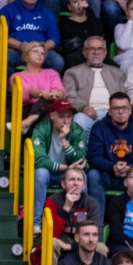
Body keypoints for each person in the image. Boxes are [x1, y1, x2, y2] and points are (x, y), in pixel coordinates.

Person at [87, 92, 133, 208]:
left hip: (132, 174)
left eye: (124, 108)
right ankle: (97, 219)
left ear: (130, 110)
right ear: (109, 111)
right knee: (93, 175)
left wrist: (130, 168)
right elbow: (94, 157)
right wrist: (113, 167)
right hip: (108, 174)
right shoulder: (99, 127)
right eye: (116, 108)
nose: (120, 112)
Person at [32, 100, 87, 234]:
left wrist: (64, 141)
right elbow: (39, 160)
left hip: (67, 174)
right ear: (52, 116)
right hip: (49, 173)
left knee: (82, 176)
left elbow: (79, 159)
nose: (66, 121)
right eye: (62, 117)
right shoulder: (41, 129)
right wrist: (66, 168)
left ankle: (81, 224)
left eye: (69, 117)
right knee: (40, 173)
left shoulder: (76, 130)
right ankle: (36, 224)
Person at [0, 0, 64, 74]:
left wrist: (44, 46)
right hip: (16, 51)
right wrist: (20, 45)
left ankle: (41, 83)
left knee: (57, 61)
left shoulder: (46, 13)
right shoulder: (8, 10)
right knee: (5, 57)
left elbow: (54, 37)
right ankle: (11, 84)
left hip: (40, 52)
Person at [63, 36, 126, 135]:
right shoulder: (72, 73)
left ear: (105, 53)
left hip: (114, 112)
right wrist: (84, 107)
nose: (96, 52)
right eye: (92, 49)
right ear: (84, 52)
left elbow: (124, 96)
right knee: (79, 120)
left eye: (100, 49)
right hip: (87, 113)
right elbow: (70, 96)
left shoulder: (117, 73)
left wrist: (117, 109)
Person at [43, 167, 106, 260]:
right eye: (71, 179)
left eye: (79, 180)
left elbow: (97, 232)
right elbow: (51, 233)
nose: (76, 183)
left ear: (83, 185)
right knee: (51, 243)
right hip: (61, 240)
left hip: (84, 240)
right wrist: (66, 207)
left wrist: (72, 246)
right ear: (63, 184)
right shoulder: (52, 200)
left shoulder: (91, 203)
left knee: (101, 247)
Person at [13, 42, 66, 133]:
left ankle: (29, 121)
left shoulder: (51, 73)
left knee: (51, 112)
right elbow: (26, 91)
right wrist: (42, 93)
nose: (40, 54)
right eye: (35, 51)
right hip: (27, 110)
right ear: (26, 56)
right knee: (46, 100)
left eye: (43, 53)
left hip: (49, 110)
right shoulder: (17, 77)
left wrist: (57, 93)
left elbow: (59, 90)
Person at [57, 0, 105, 69]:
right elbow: (71, 39)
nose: (80, 4)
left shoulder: (91, 19)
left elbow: (98, 32)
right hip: (76, 57)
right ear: (70, 7)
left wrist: (88, 10)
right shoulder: (64, 22)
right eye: (75, 2)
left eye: (82, 0)